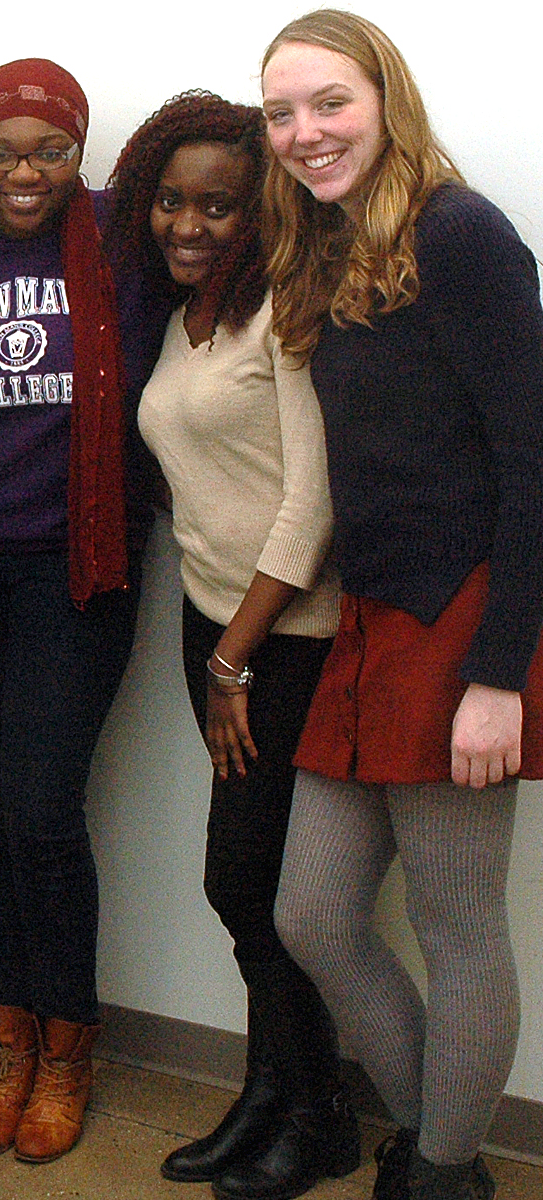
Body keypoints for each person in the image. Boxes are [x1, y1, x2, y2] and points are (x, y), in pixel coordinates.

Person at [259, 11, 543, 1200]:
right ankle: (439, 1146)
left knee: (459, 924)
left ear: (387, 94)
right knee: (313, 916)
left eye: (329, 102)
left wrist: (496, 676)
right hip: (373, 620)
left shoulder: (462, 232)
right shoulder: (328, 245)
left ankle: (439, 1171)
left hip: (464, 618)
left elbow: (533, 457)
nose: (305, 132)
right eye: (281, 113)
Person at [0, 58, 166, 1164]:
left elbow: (230, 247)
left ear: (79, 151)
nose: (25, 171)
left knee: (44, 810)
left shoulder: (122, 246)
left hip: (78, 571)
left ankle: (66, 1051)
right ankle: (6, 1043)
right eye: (3, 150)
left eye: (49, 149)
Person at [108, 93, 356, 1200]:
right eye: (172, 200)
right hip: (209, 620)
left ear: (260, 206)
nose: (190, 222)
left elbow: (312, 506)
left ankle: (322, 1115)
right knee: (247, 883)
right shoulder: (183, 316)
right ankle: (267, 1095)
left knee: (247, 881)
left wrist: (233, 659)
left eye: (218, 202)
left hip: (285, 637)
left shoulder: (285, 313)